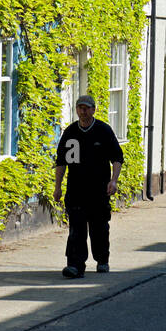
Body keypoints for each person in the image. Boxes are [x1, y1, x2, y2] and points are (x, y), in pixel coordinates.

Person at [53, 94, 124, 279]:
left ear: (93, 110)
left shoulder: (103, 131)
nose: (83, 111)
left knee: (99, 227)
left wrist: (113, 180)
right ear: (76, 110)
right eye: (80, 108)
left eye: (86, 108)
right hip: (76, 190)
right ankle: (75, 265)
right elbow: (61, 162)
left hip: (99, 190)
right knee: (76, 228)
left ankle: (102, 259)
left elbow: (117, 158)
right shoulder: (70, 133)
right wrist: (57, 187)